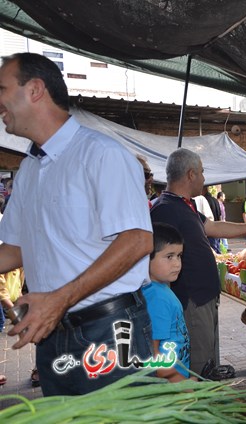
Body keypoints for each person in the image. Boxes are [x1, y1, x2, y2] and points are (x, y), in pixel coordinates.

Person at [0, 52, 153, 396]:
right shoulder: (30, 170)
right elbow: (15, 248)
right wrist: (55, 305)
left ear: (35, 89)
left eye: (2, 88)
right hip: (52, 332)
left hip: (109, 331)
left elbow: (138, 241)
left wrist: (59, 299)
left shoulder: (101, 154)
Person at [150, 148, 246, 375]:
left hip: (204, 297)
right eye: (202, 172)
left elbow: (213, 227)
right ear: (190, 174)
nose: (205, 179)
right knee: (198, 364)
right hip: (191, 299)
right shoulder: (164, 209)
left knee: (208, 358)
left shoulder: (187, 205)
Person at [142, 223, 193, 383]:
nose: (177, 263)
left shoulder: (160, 290)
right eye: (169, 256)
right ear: (146, 258)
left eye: (179, 255)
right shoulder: (157, 298)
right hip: (169, 385)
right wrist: (184, 386)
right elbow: (154, 355)